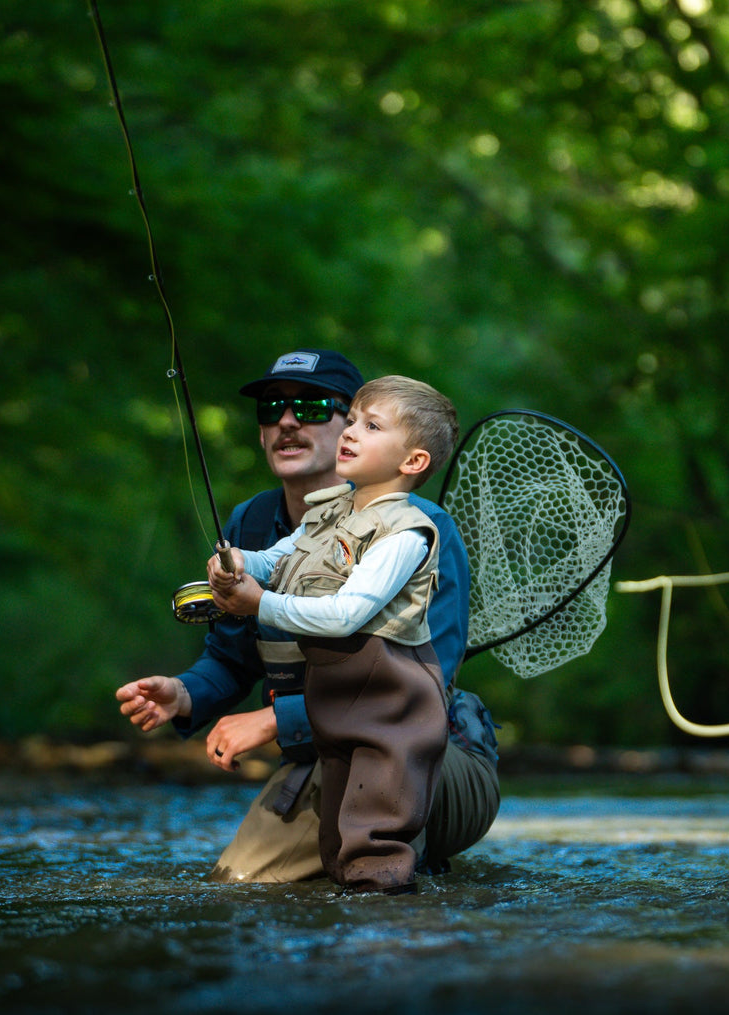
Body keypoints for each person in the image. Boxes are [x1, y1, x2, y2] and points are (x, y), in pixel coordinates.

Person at [115, 349, 500, 883]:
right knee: (237, 886)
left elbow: (421, 685)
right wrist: (182, 694)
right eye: (272, 409)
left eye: (315, 407)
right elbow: (231, 658)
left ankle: (406, 872)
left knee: (334, 882)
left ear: (353, 426)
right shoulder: (252, 523)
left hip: (423, 744)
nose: (289, 421)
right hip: (323, 750)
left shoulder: (419, 531)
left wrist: (277, 720)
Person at [207, 374, 457, 893]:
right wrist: (236, 562)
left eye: (370, 425)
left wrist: (260, 602)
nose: (350, 431)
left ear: (412, 463)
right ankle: (347, 913)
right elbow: (276, 559)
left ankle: (389, 924)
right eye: (354, 420)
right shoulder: (330, 510)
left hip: (392, 711)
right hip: (334, 709)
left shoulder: (407, 532)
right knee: (336, 841)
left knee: (375, 833)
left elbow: (346, 614)